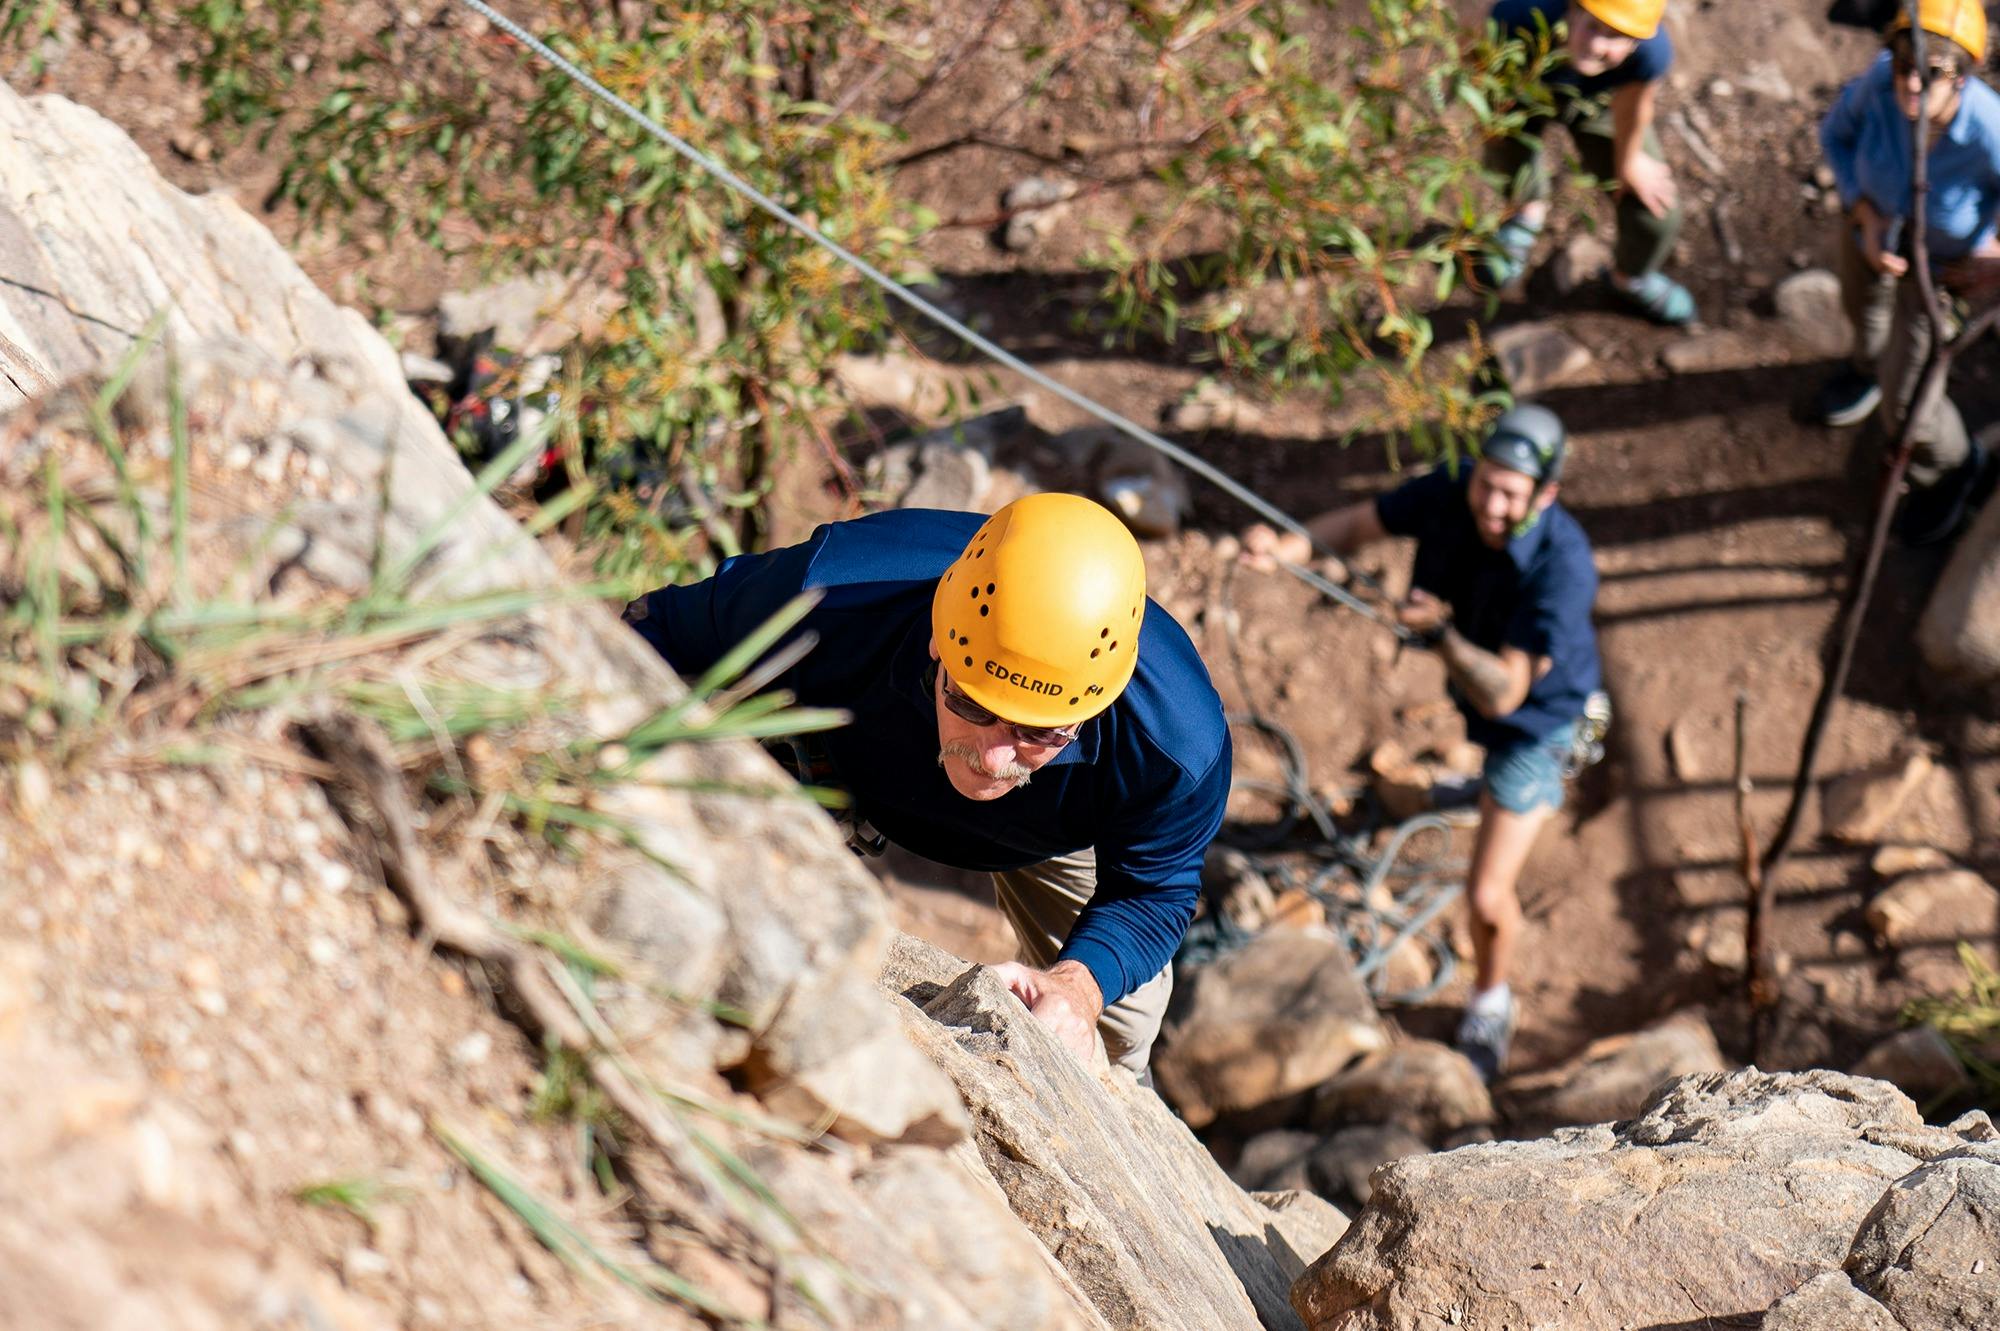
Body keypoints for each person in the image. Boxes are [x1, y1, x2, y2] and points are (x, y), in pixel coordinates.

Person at [623, 493, 1231, 1079]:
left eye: (1037, 732)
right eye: (969, 700)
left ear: (1091, 711)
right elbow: (654, 637)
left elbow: (1152, 892)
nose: (995, 758)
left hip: (1057, 833)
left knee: (1107, 1032)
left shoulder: (1176, 747)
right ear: (940, 641)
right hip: (838, 745)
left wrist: (1079, 986)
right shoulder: (834, 591)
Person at [1240, 405, 1602, 1080]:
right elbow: (1356, 524)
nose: (1491, 504)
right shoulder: (1450, 489)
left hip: (1537, 725)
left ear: (1544, 495)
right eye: (1486, 484)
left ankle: (1492, 1000)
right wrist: (1285, 551)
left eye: (1510, 494)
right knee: (1489, 791)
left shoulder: (1563, 565)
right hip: (1490, 702)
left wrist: (1440, 636)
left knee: (1488, 894)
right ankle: (1485, 792)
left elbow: (1506, 694)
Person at [1816, 0, 2000, 545]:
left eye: (1932, 74)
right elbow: (1836, 137)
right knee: (1861, 314)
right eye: (1903, 66)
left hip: (1939, 273)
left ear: (1963, 79)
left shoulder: (1988, 129)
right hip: (1870, 239)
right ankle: (1865, 369)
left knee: (1910, 407)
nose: (1912, 85)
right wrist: (1862, 211)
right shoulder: (1877, 87)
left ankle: (1951, 467)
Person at [1484, 0, 1696, 325]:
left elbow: (1634, 105)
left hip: (1598, 103)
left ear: (1635, 42)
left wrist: (1627, 163)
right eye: (1592, 26)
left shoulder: (1651, 52)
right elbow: (1474, 53)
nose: (1597, 44)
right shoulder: (1518, 14)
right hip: (1521, 86)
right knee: (1503, 144)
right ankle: (1525, 212)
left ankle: (1631, 277)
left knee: (1655, 213)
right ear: (1571, 9)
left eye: (1615, 37)